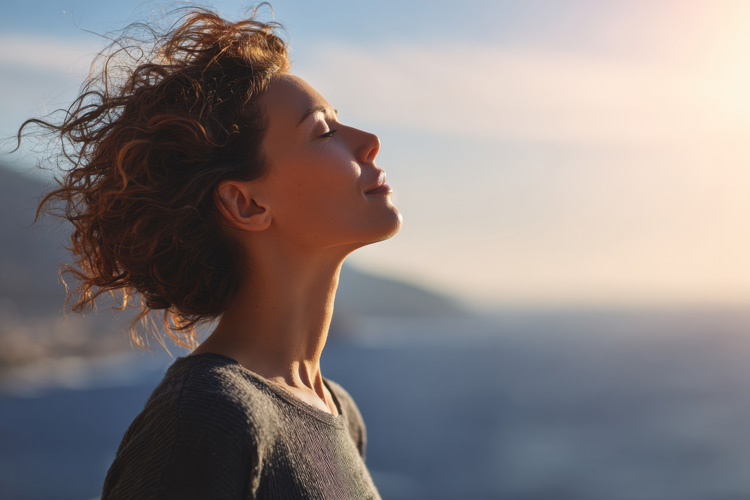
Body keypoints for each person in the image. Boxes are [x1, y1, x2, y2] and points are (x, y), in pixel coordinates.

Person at [23, 6, 400, 499]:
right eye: (323, 132)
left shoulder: (337, 412)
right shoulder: (204, 418)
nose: (369, 142)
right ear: (245, 202)